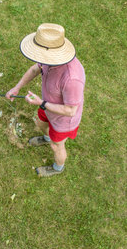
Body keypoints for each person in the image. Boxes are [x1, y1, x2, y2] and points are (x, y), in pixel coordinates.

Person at [6, 23, 85, 177]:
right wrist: (17, 87)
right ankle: (47, 137)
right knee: (41, 123)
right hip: (47, 106)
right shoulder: (48, 58)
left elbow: (70, 110)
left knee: (57, 146)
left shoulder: (72, 78)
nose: (39, 59)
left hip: (63, 120)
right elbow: (36, 69)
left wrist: (41, 103)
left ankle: (57, 167)